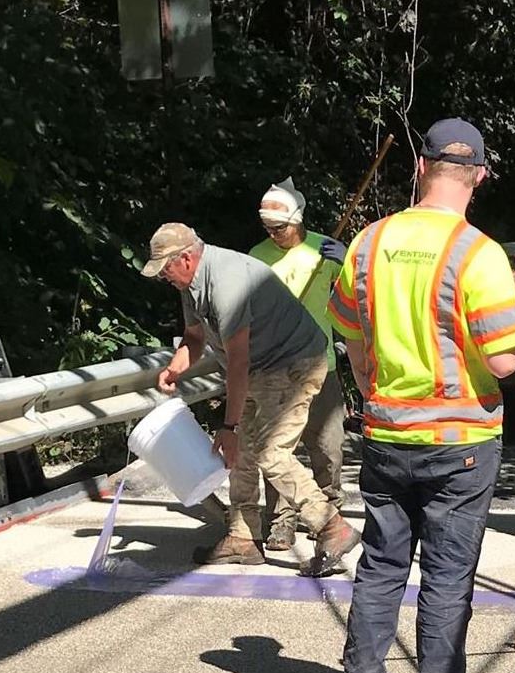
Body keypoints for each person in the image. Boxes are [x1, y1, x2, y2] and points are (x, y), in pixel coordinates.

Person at [327, 118, 515, 673]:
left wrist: (377, 387)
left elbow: (351, 340)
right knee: (447, 579)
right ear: (479, 176)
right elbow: (504, 360)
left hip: (387, 435)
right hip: (461, 444)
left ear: (420, 167)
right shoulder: (479, 253)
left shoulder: (368, 243)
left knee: (381, 568)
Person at [144, 222, 360, 568]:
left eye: (165, 269)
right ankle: (242, 536)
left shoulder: (227, 281)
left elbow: (238, 362)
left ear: (185, 258)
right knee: (240, 453)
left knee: (269, 452)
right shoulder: (191, 284)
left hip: (294, 363)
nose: (163, 277)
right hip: (260, 365)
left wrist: (228, 427)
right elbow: (195, 338)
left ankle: (331, 526)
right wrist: (175, 367)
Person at [248, 179, 349, 557]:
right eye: (268, 229)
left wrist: (348, 259)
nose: (274, 235)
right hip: (276, 365)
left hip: (322, 363)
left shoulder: (324, 249)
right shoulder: (256, 257)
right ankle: (282, 520)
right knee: (279, 449)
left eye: (281, 227)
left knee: (327, 447)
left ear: (298, 219)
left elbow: (356, 295)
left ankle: (328, 513)